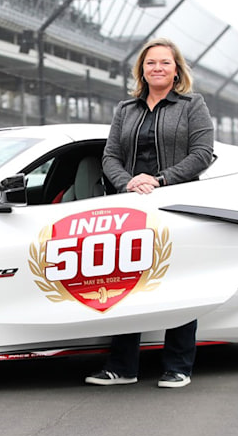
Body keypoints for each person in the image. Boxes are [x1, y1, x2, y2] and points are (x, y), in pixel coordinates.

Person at [86, 37, 214, 389]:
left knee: (179, 282)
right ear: (141, 70)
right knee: (126, 283)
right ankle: (123, 367)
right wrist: (128, 183)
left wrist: (159, 180)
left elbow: (203, 154)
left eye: (165, 63)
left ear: (177, 71)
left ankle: (178, 366)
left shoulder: (192, 105)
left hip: (176, 203)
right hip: (130, 207)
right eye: (150, 63)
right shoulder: (126, 110)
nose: (157, 68)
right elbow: (109, 156)